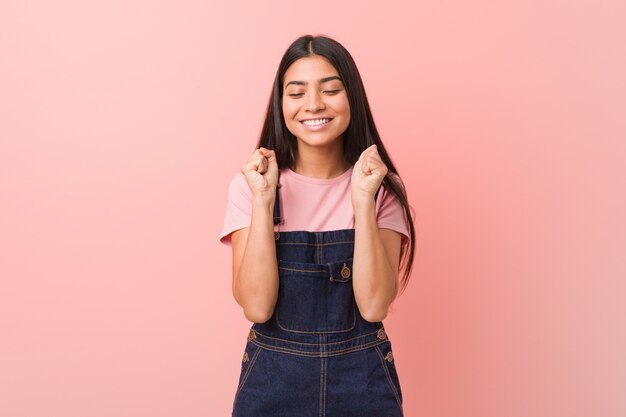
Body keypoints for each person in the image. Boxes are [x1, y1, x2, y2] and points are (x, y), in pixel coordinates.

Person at [219, 34, 416, 417]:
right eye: (296, 93)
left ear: (352, 98)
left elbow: (375, 305)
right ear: (281, 105)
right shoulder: (251, 186)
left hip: (362, 384)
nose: (313, 105)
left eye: (330, 90)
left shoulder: (380, 189)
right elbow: (256, 307)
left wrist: (362, 200)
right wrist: (263, 202)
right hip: (273, 383)